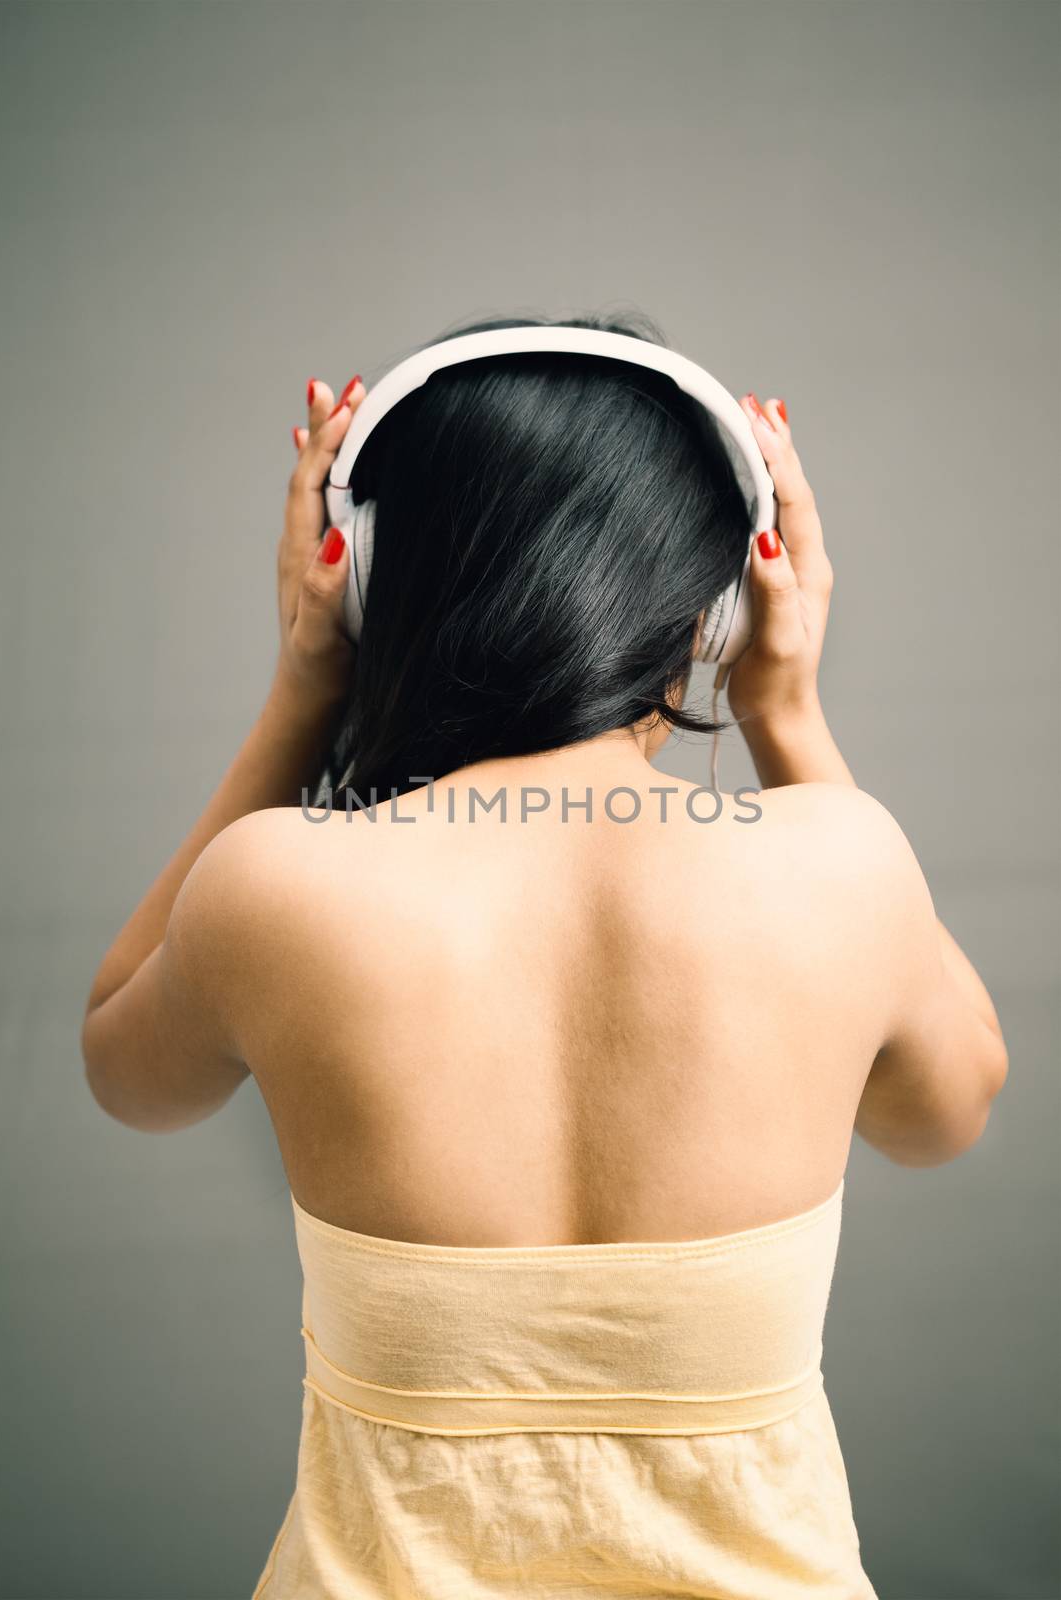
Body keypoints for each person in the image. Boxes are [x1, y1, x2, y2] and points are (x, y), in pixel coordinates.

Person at [81, 312, 1008, 1599]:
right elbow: (947, 1111)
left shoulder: (275, 887)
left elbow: (124, 1066)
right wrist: (784, 708)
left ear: (369, 583)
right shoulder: (839, 867)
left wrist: (303, 683)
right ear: (726, 599)